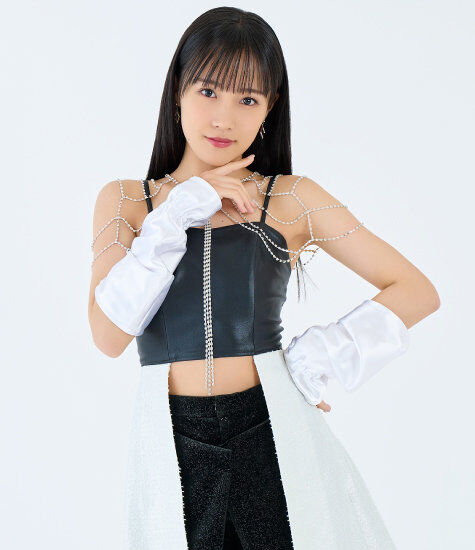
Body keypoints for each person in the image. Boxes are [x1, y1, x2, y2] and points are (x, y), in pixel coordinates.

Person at [88, 7, 440, 550]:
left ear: (270, 107)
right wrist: (179, 211)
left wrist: (318, 359)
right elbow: (109, 335)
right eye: (208, 91)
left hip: (273, 429)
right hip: (170, 443)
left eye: (247, 99)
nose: (223, 119)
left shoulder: (291, 198)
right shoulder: (129, 202)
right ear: (177, 91)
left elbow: (416, 290)